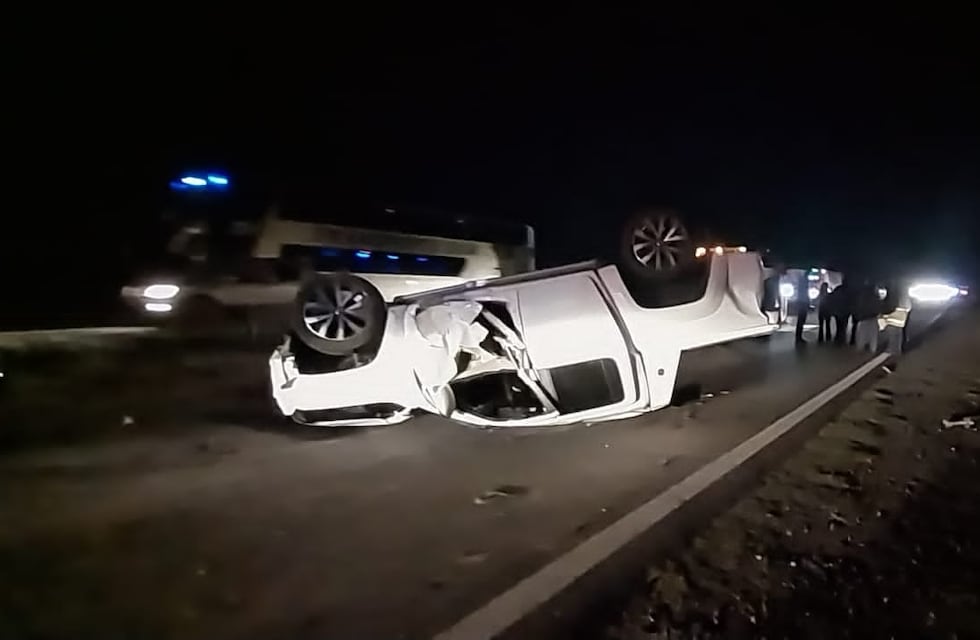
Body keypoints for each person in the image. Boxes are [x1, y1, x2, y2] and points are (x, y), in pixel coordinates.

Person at [853, 280, 880, 352]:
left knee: (862, 333)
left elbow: (859, 305)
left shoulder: (862, 295)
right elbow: (878, 305)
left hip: (863, 316)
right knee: (873, 334)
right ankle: (872, 348)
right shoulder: (875, 296)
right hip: (872, 316)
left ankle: (860, 347)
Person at [794, 270, 809, 345]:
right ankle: (798, 337)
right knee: (801, 320)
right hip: (803, 302)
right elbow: (804, 293)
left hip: (802, 302)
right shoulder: (803, 281)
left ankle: (798, 337)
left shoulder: (801, 281)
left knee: (800, 320)